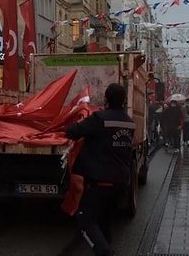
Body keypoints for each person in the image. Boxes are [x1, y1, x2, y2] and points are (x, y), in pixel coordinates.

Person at [65, 83, 134, 256]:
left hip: (101, 181)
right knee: (105, 221)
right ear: (124, 100)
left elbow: (73, 132)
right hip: (120, 181)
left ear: (106, 99)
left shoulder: (100, 119)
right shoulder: (129, 122)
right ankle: (107, 248)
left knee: (85, 221)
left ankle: (105, 253)